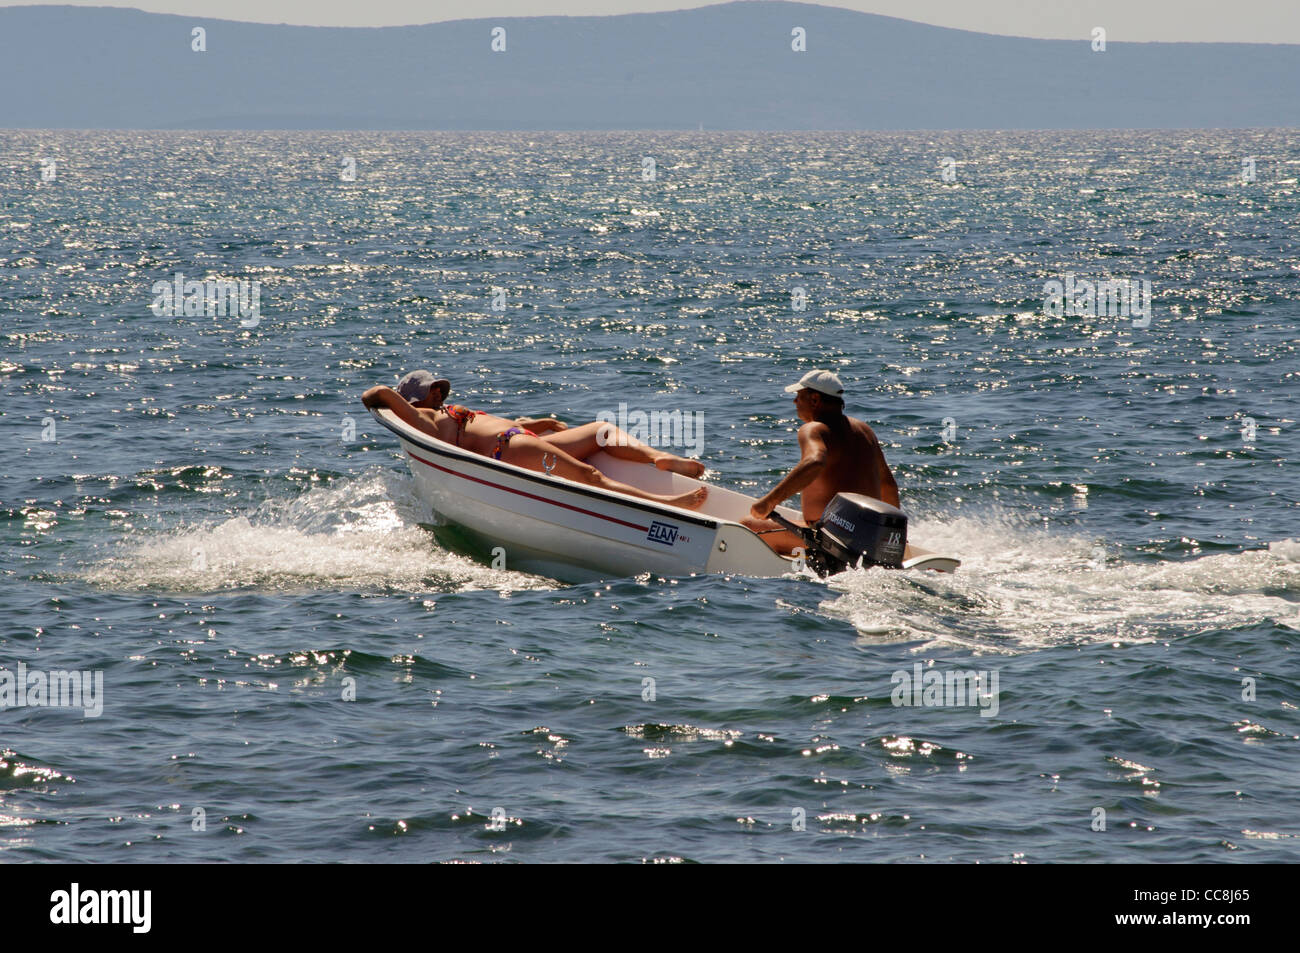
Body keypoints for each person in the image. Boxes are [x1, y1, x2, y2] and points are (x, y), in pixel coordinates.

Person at [361, 370, 708, 510]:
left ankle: (658, 457)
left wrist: (537, 424)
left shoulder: (447, 412)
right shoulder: (423, 420)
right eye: (432, 390)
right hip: (509, 449)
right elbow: (375, 393)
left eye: (440, 389)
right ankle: (667, 504)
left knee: (601, 431)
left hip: (521, 437)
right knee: (591, 477)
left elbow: (491, 423)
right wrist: (402, 407)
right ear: (415, 401)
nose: (439, 393)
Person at [743, 370, 900, 555]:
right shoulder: (864, 431)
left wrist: (769, 502)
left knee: (746, 526)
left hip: (831, 541)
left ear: (815, 400)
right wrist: (891, 536)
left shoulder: (813, 429)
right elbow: (888, 485)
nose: (795, 402)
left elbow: (815, 461)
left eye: (799, 396)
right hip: (868, 539)